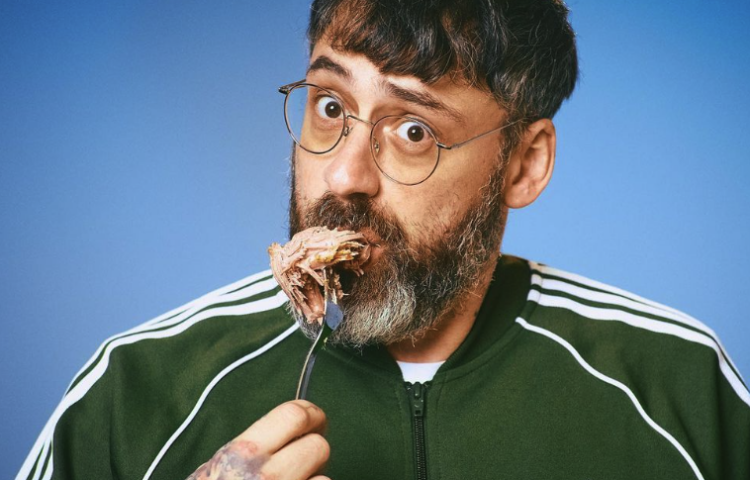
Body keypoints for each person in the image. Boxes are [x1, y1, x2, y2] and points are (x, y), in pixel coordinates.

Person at [17, 0, 749, 479]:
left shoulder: (677, 388)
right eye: (330, 106)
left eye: (414, 130)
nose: (344, 175)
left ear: (524, 164)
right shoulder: (135, 390)